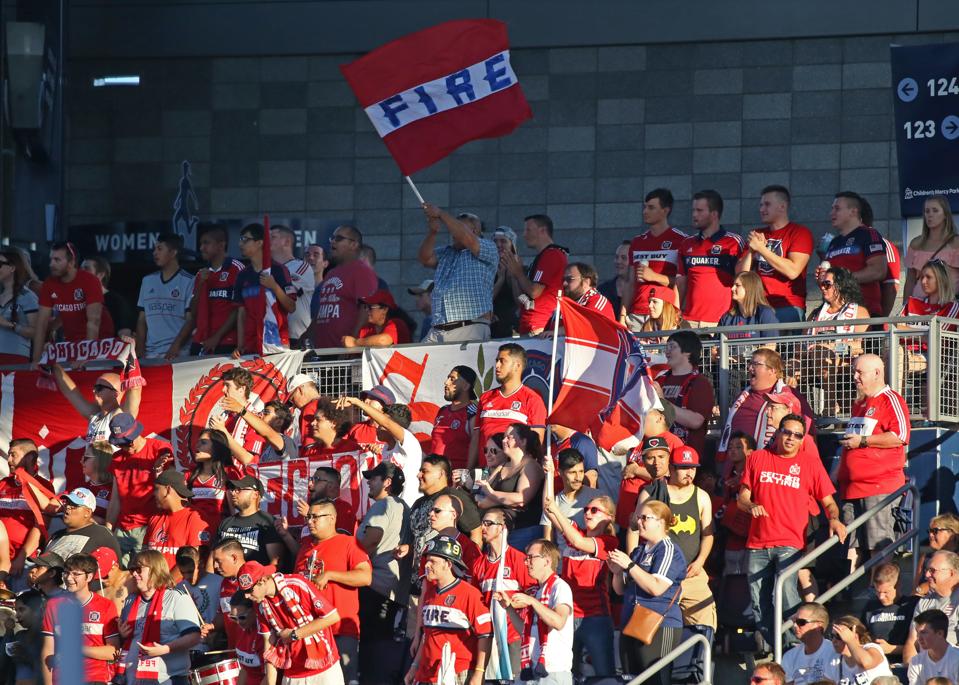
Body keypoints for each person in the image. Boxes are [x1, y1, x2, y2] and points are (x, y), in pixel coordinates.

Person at [739, 414, 846, 647]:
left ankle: (794, 647)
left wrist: (835, 520)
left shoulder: (810, 463)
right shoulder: (757, 458)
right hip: (757, 543)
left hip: (790, 542)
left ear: (802, 439)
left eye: (797, 435)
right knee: (759, 605)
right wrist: (751, 505)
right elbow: (742, 498)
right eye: (787, 432)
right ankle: (779, 647)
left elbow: (829, 502)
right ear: (778, 433)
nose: (791, 438)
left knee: (787, 596)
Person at [637, 446, 717, 655]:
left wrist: (700, 561)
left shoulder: (701, 496)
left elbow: (708, 534)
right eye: (683, 468)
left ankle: (698, 666)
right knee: (647, 632)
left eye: (693, 468)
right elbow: (635, 528)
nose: (689, 472)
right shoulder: (654, 492)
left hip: (691, 574)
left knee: (705, 622)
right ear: (671, 468)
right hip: (658, 574)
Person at [838, 354, 910, 567]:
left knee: (878, 545)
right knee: (851, 546)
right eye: (854, 372)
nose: (855, 377)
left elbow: (900, 436)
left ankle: (879, 585)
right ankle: (851, 584)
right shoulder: (859, 403)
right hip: (850, 489)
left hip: (878, 488)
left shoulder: (891, 399)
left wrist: (863, 441)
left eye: (859, 372)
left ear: (877, 373)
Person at [294, 499, 372, 685]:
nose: (310, 521)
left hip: (339, 630)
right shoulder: (305, 547)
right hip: (309, 631)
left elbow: (365, 577)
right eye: (308, 517)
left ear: (331, 518)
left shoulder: (349, 543)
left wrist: (330, 575)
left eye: (315, 517)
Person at [610, 499, 686, 683]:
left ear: (660, 522)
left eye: (645, 518)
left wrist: (630, 565)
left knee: (656, 679)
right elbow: (619, 590)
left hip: (659, 624)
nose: (639, 522)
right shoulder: (639, 551)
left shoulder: (669, 550)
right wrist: (617, 572)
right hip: (631, 623)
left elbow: (656, 587)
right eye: (638, 517)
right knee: (631, 679)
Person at [542, 492, 617, 678]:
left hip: (595, 617)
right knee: (568, 672)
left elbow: (578, 542)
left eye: (594, 510)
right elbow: (549, 510)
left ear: (609, 517)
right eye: (586, 510)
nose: (588, 513)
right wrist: (549, 476)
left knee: (604, 674)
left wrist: (556, 510)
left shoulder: (609, 542)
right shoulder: (575, 531)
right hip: (568, 616)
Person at [238, 559, 344, 685]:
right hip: (292, 672)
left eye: (249, 590)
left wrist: (294, 634)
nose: (246, 596)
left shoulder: (296, 585)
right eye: (244, 592)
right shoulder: (260, 605)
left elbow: (332, 617)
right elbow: (269, 643)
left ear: (263, 580)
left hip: (323, 667)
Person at [406, 535, 491, 685]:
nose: (427, 565)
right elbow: (428, 636)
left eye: (433, 561)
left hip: (458, 672)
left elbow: (485, 635)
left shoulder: (470, 594)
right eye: (427, 560)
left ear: (448, 564)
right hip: (426, 674)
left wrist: (479, 673)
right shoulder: (429, 594)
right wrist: (414, 667)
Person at [356, 462, 410, 684]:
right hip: (394, 593)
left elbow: (372, 538)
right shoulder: (404, 507)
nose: (368, 482)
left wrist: (353, 561)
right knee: (383, 655)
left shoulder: (383, 505)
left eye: (373, 478)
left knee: (371, 654)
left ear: (387, 482)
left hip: (375, 587)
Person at [492, 538, 572, 685]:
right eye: (526, 558)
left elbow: (559, 622)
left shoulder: (560, 587)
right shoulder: (537, 592)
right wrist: (508, 607)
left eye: (530, 558)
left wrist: (532, 602)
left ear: (547, 561)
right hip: (531, 669)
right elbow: (524, 630)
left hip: (553, 671)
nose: (526, 562)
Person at [118, 549, 202, 685]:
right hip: (133, 679)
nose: (134, 574)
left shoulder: (176, 598)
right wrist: (122, 635)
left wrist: (165, 649)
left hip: (169, 679)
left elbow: (194, 637)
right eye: (132, 570)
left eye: (138, 569)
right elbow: (129, 640)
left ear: (155, 570)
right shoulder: (130, 601)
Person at [417, 203, 498, 343]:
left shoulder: (489, 247)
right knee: (419, 357)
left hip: (469, 327)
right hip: (438, 328)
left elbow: (466, 237)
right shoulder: (447, 251)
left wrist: (440, 213)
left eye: (457, 227)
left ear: (474, 230)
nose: (453, 233)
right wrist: (433, 232)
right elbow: (425, 259)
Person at [718, 348, 814, 465]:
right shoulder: (742, 396)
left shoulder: (789, 396)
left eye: (756, 364)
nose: (750, 368)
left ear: (772, 370)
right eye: (750, 363)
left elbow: (808, 434)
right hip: (735, 467)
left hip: (769, 466)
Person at [469, 506, 533, 676]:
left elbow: (533, 594)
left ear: (502, 528)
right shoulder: (478, 564)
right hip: (487, 636)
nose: (483, 527)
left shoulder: (518, 559)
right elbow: (474, 600)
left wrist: (514, 603)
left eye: (488, 523)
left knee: (514, 679)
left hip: (512, 635)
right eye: (482, 523)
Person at [736, 185, 814, 323]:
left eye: (767, 204)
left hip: (788, 306)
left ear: (782, 207)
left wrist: (761, 249)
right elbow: (741, 274)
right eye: (761, 205)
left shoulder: (800, 233)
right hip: (759, 306)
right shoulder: (758, 234)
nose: (762, 209)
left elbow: (793, 271)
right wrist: (751, 251)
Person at [39, 552, 120, 685]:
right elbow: (47, 650)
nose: (69, 578)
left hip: (94, 678)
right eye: (66, 573)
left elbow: (113, 651)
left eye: (76, 574)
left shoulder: (106, 605)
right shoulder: (53, 605)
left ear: (89, 576)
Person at [106, 413, 172, 567]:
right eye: (120, 444)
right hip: (122, 527)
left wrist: (158, 471)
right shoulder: (117, 458)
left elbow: (170, 491)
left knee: (144, 574)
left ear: (136, 433)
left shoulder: (160, 449)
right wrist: (108, 529)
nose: (125, 447)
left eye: (127, 443)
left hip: (150, 526)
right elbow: (115, 498)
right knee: (111, 571)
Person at [32, 242, 112, 365]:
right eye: (51, 259)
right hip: (71, 346)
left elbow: (94, 321)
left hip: (100, 345)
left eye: (57, 260)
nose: (51, 264)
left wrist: (87, 357)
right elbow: (41, 324)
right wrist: (36, 360)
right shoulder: (49, 284)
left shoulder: (90, 280)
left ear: (71, 262)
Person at [470, 343, 547, 468]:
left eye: (502, 361)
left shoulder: (533, 399)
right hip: (485, 472)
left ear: (517, 366)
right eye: (496, 361)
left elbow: (536, 445)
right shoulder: (485, 397)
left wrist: (524, 472)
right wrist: (469, 470)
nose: (497, 365)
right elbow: (476, 439)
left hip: (514, 472)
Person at [336, 395, 422, 506]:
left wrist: (358, 402)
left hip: (407, 508)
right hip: (390, 507)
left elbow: (387, 422)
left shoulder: (409, 442)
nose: (377, 427)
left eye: (380, 424)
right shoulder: (386, 448)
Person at [676, 190, 746, 327]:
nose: (694, 214)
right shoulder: (686, 243)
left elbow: (745, 279)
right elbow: (680, 284)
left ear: (714, 214)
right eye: (693, 210)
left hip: (723, 321)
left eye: (699, 210)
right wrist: (675, 314)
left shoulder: (734, 242)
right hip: (689, 321)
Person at [621, 188, 687, 330]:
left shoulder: (681, 240)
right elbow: (630, 282)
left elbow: (684, 282)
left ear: (665, 210)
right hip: (636, 313)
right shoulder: (637, 242)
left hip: (665, 313)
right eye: (644, 207)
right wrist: (622, 315)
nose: (645, 211)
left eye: (651, 207)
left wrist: (654, 276)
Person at [475, 423, 546, 551]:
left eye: (509, 437)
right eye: (504, 437)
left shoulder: (531, 466)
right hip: (493, 527)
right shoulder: (503, 465)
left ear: (523, 441)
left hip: (520, 530)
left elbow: (521, 499)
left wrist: (491, 494)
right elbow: (482, 494)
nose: (504, 440)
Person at [822, 191, 889, 320]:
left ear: (853, 211)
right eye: (832, 209)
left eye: (837, 209)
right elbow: (830, 277)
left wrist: (841, 280)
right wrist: (822, 277)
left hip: (864, 312)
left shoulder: (868, 234)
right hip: (835, 314)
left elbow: (878, 271)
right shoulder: (834, 242)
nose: (831, 213)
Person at [233, 222, 297, 355]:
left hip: (276, 343)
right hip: (250, 345)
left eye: (245, 239)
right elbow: (241, 313)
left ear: (259, 243)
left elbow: (291, 307)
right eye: (240, 239)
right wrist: (240, 346)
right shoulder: (242, 275)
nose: (240, 244)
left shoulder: (279, 270)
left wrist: (274, 287)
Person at [311, 224, 378, 350]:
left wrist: (353, 342)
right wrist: (307, 335)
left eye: (339, 239)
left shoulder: (362, 271)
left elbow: (366, 310)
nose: (333, 242)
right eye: (332, 238)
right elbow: (321, 312)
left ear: (354, 245)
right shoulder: (330, 273)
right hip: (323, 352)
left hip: (346, 353)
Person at [653, 330, 715, 458]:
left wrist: (662, 402)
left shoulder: (700, 383)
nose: (667, 351)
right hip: (658, 454)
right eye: (666, 347)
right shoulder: (660, 380)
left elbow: (696, 421)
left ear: (687, 352)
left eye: (672, 346)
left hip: (685, 458)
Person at [503, 214, 569, 335]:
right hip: (529, 326)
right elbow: (521, 300)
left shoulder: (552, 254)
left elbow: (534, 292)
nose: (524, 234)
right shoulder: (542, 257)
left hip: (539, 327)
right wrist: (514, 276)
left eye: (528, 230)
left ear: (542, 230)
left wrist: (518, 272)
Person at [0, 439, 54, 586]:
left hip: (23, 562)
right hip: (1, 558)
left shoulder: (43, 486)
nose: (9, 460)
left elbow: (40, 526)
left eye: (13, 455)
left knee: (17, 600)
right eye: (9, 455)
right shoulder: (3, 483)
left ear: (29, 457)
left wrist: (22, 557)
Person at [136, 232, 194, 359]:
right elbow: (141, 319)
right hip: (150, 355)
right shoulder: (147, 281)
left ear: (173, 252)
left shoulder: (189, 281)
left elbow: (191, 320)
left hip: (178, 355)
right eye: (154, 249)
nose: (154, 253)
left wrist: (175, 347)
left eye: (159, 249)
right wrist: (139, 349)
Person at [189, 226, 244, 356]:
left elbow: (239, 310)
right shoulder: (201, 274)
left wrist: (217, 337)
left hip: (227, 341)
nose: (201, 248)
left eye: (206, 243)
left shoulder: (236, 269)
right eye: (201, 244)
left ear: (221, 245)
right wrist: (201, 284)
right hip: (201, 340)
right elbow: (193, 311)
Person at [143, 469, 210, 569]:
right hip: (151, 578)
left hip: (178, 579)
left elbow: (192, 561)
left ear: (168, 489)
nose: (153, 494)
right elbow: (144, 553)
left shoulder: (195, 518)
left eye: (156, 489)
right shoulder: (155, 517)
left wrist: (169, 579)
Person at [214, 475, 283, 566]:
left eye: (239, 489)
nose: (233, 493)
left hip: (256, 575)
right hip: (225, 575)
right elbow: (212, 559)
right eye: (233, 489)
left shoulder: (268, 522)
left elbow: (276, 563)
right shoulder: (225, 523)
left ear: (255, 494)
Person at [903, 551, 959, 663]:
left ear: (951, 573)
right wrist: (911, 667)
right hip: (925, 666)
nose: (927, 575)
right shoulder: (924, 603)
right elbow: (912, 642)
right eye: (927, 570)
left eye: (932, 570)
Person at [44, 486, 121, 561]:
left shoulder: (103, 535)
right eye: (67, 503)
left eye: (74, 505)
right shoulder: (56, 535)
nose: (68, 507)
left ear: (87, 512)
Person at [904, 196, 959, 301]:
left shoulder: (956, 243)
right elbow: (910, 280)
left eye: (935, 210)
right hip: (919, 305)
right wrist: (905, 304)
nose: (930, 215)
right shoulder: (916, 244)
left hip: (947, 305)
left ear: (945, 215)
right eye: (927, 211)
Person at [270, 223, 315, 347]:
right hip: (273, 337)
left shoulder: (301, 266)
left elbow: (285, 286)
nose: (267, 241)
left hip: (297, 337)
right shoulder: (266, 269)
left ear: (287, 242)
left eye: (273, 237)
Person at [862, 562, 917, 660]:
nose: (881, 597)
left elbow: (923, 645)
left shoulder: (911, 605)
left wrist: (892, 649)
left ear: (898, 585)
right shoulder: (870, 607)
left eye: (885, 592)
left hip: (904, 662)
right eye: (877, 591)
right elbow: (862, 638)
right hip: (876, 662)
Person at [174, 546, 222, 652]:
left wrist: (217, 631)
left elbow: (227, 615)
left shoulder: (219, 582)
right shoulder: (179, 588)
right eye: (182, 572)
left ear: (200, 564)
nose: (187, 577)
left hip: (213, 647)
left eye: (190, 571)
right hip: (188, 649)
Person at [430, 365, 477, 471]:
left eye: (452, 379)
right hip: (434, 477)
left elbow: (477, 450)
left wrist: (466, 476)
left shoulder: (473, 414)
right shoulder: (442, 410)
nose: (446, 383)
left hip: (455, 479)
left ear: (466, 386)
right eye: (448, 378)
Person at [826, 615, 895, 683]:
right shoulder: (835, 661)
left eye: (839, 636)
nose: (834, 641)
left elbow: (866, 663)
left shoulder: (872, 648)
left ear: (855, 636)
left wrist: (850, 641)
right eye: (832, 636)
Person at [186, 428, 232, 530]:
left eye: (203, 442)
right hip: (193, 531)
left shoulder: (229, 474)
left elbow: (235, 512)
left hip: (219, 533)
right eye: (198, 442)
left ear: (217, 447)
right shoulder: (189, 475)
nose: (197, 446)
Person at [780, 602, 836, 685]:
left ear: (818, 626)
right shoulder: (790, 656)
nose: (795, 626)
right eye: (794, 621)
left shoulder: (834, 653)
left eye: (801, 622)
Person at [81, 255, 136, 339]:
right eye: (80, 269)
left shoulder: (116, 301)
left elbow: (125, 337)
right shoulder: (77, 301)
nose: (81, 272)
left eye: (86, 268)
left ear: (101, 275)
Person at [0, 248, 38, 365]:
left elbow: (37, 332)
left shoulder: (28, 296)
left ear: (12, 268)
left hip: (15, 359)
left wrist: (10, 325)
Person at [718, 271, 780, 338]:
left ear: (749, 288)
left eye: (737, 285)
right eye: (733, 285)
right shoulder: (728, 317)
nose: (732, 288)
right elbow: (717, 342)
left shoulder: (765, 313)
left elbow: (770, 343)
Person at [342, 289, 412, 347]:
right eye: (366, 307)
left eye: (370, 307)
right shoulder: (366, 329)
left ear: (384, 309)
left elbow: (383, 340)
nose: (367, 310)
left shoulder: (397, 323)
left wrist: (355, 342)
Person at [907, 609, 959, 685]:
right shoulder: (915, 661)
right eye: (917, 632)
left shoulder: (957, 659)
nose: (918, 637)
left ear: (940, 633)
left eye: (923, 633)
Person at [229, 592, 266, 685]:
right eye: (233, 618)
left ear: (254, 610)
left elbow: (270, 676)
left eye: (242, 617)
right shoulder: (241, 629)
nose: (238, 622)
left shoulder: (262, 635)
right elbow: (245, 669)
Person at [918, 515, 959, 596]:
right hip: (923, 601)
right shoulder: (926, 557)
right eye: (929, 531)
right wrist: (919, 590)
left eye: (935, 531)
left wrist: (925, 587)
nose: (930, 535)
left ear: (952, 534)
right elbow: (915, 589)